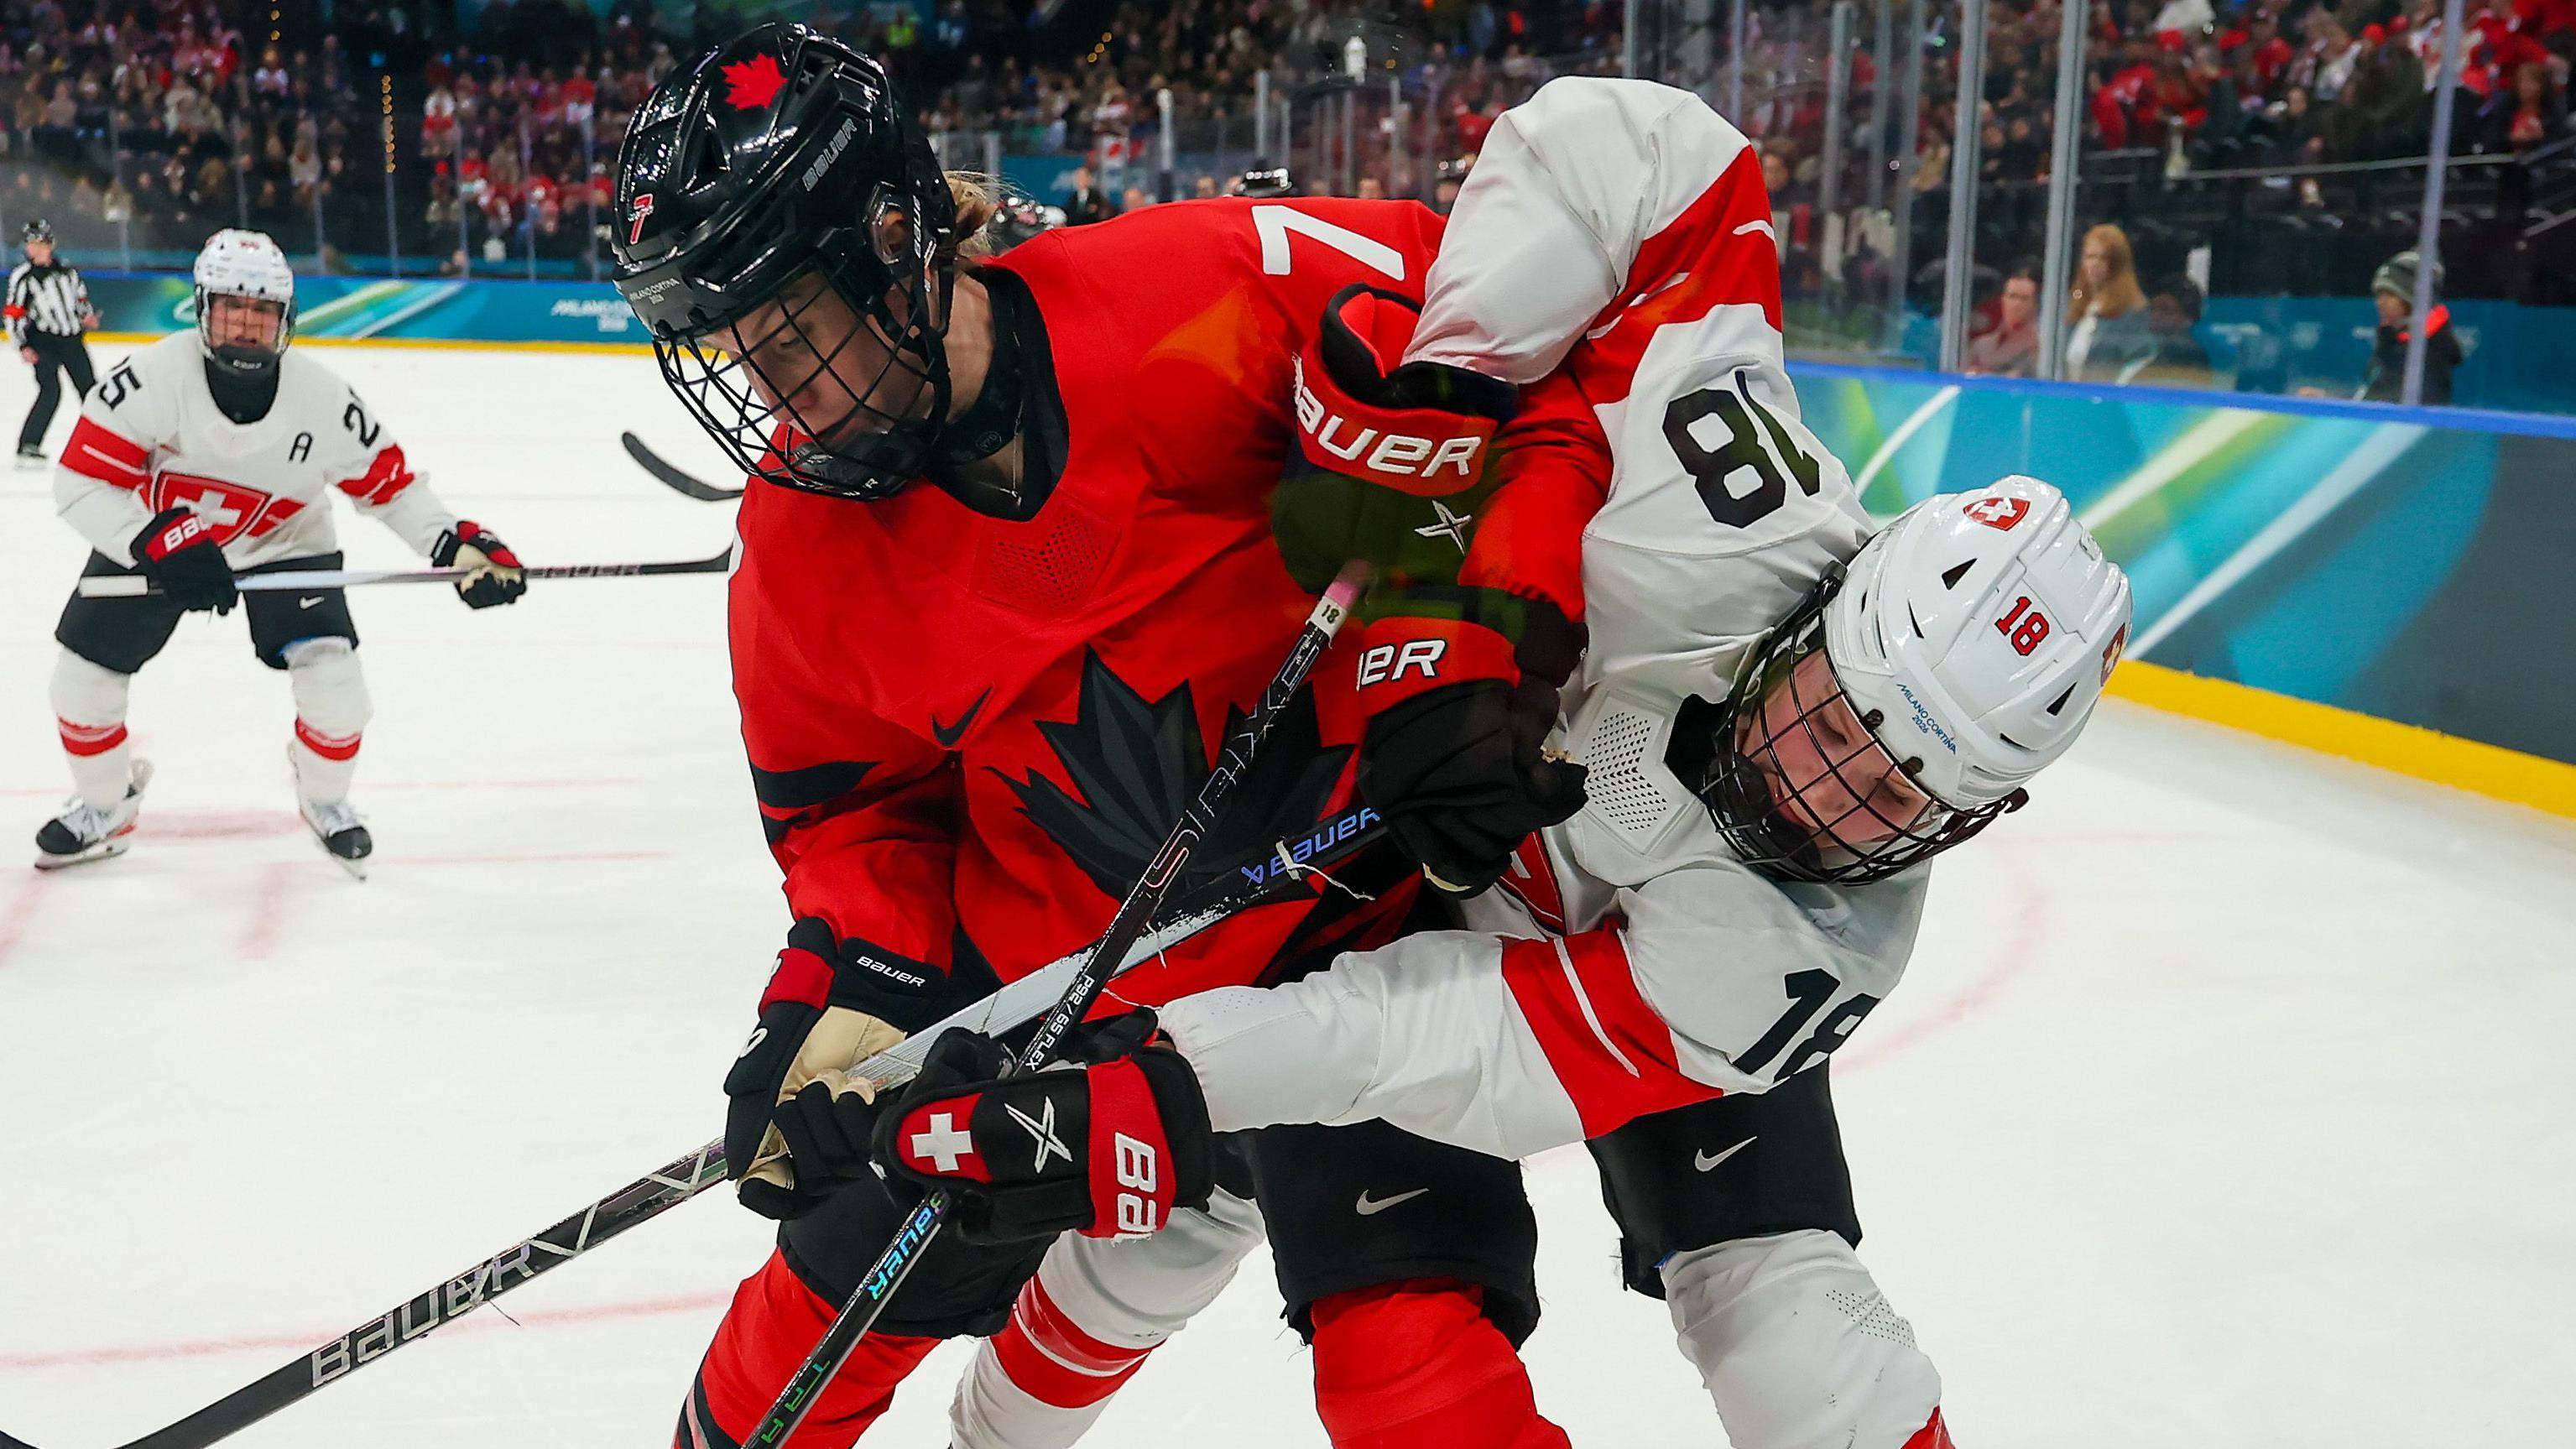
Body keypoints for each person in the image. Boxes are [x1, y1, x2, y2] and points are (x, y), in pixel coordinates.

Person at [610, 27, 1597, 1449]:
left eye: (792, 320)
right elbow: (852, 817)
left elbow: (1521, 368)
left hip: (1357, 955)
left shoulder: (1208, 292)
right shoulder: (797, 544)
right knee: (811, 1331)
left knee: (1421, 1383)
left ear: (896, 239)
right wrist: (836, 991)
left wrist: (1474, 651)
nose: (775, 385)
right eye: (737, 345)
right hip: (1055, 986)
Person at [889, 479, 2133, 1449]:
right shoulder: (1696, 529)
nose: (1815, 798)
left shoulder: (1809, 946)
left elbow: (1437, 1042)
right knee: (1216, 1258)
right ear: (1819, 603)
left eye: (1890, 796)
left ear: (1974, 815)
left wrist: (1171, 1069)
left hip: (1537, 993)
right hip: (1376, 905)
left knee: (1799, 1328)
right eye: (1826, 719)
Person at [36, 229, 526, 876]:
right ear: (202, 309)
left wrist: (457, 542)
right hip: (163, 538)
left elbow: (393, 488)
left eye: (261, 312)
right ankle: (106, 806)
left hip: (287, 541)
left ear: (286, 321)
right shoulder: (149, 380)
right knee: (81, 682)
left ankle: (324, 797)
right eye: (231, 308)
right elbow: (80, 480)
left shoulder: (324, 402)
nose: (245, 326)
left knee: (337, 689)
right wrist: (154, 538)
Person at [8, 218, 102, 465]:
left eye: (39, 243)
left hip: (71, 340)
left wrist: (87, 316)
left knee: (92, 393)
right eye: (30, 243)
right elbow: (13, 314)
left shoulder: (68, 272)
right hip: (43, 343)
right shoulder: (24, 277)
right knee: (50, 391)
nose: (34, 248)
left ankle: (105, 442)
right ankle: (29, 445)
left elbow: (80, 299)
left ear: (50, 244)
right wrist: (22, 346)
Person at [2358, 250, 2459, 405]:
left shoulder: (2430, 352)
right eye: (2379, 295)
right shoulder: (2390, 342)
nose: (2380, 303)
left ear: (2411, 300)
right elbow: (2371, 396)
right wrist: (2332, 399)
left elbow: (2404, 411)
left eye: (2390, 295)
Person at [2062, 223, 2153, 383]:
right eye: (2090, 257)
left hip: (2105, 401)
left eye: (2103, 258)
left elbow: (2136, 365)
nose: (2094, 264)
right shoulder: (2075, 302)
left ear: (2118, 263)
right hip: (2068, 400)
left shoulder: (2133, 311)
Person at [1963, 269, 2038, 377]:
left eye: (2025, 298)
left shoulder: (2041, 344)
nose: (2017, 304)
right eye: (2013, 296)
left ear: (2034, 304)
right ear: (2003, 299)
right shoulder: (1981, 345)